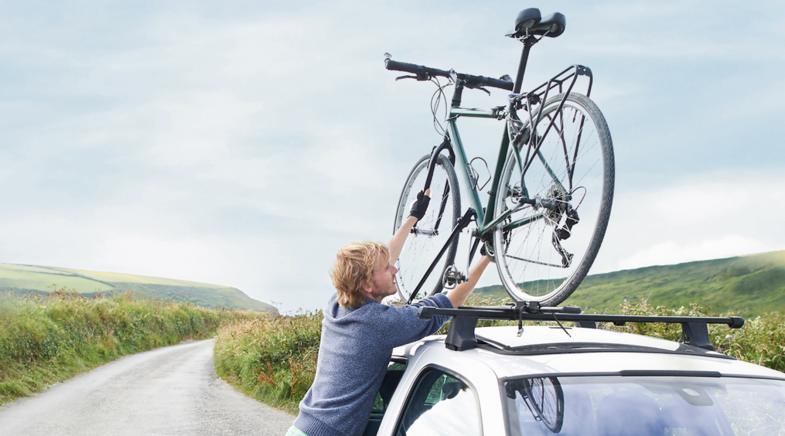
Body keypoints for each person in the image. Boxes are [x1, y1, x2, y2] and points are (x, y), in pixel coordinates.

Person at [288, 190, 492, 436]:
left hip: (303, 428)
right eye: (387, 269)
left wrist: (413, 217)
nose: (395, 269)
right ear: (367, 285)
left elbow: (386, 255)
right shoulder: (379, 324)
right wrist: (487, 255)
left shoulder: (339, 304)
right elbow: (448, 303)